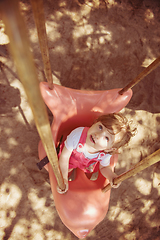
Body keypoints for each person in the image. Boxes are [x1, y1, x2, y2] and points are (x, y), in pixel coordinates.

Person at [57, 113, 135, 194]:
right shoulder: (77, 135)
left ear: (110, 148)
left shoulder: (106, 153)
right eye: (100, 127)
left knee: (90, 172)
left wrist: (111, 176)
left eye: (106, 138)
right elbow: (64, 157)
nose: (97, 135)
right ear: (96, 122)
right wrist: (64, 178)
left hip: (87, 164)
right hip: (71, 158)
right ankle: (69, 174)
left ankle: (81, 172)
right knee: (67, 169)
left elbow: (104, 167)